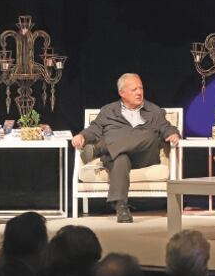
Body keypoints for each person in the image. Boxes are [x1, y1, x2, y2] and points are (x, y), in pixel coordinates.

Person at [71, 73, 180, 223]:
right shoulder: (108, 111)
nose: (139, 92)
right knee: (121, 159)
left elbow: (166, 127)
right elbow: (94, 129)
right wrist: (81, 137)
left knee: (149, 136)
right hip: (118, 158)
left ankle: (101, 148)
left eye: (141, 88)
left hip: (143, 157)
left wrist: (173, 134)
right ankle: (121, 207)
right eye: (134, 89)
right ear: (122, 93)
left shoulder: (154, 111)